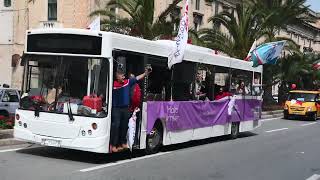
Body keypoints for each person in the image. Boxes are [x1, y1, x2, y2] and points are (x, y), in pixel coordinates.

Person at [110, 67, 151, 153]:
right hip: (116, 108)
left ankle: (122, 143)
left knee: (125, 126)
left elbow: (137, 78)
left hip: (125, 108)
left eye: (124, 75)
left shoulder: (127, 82)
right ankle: (113, 145)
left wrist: (145, 73)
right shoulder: (112, 84)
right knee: (116, 125)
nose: (123, 77)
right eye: (121, 75)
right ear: (117, 76)